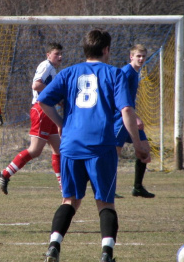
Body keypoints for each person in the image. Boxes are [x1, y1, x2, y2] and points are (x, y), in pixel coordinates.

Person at [37, 29, 149, 262]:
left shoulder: (68, 73)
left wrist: (61, 124)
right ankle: (106, 254)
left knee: (70, 200)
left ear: (85, 49)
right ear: (106, 50)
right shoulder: (115, 74)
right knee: (105, 202)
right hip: (101, 146)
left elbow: (43, 100)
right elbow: (126, 110)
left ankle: (53, 246)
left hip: (71, 146)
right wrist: (138, 144)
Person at [0, 42, 63, 194]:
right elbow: (36, 85)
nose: (60, 57)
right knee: (35, 150)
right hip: (42, 110)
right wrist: (53, 94)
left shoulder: (52, 69)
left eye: (61, 54)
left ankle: (63, 187)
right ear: (48, 55)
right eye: (56, 54)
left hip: (49, 110)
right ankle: (5, 174)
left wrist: (60, 100)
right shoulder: (46, 66)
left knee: (59, 150)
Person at [115, 44, 155, 198]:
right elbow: (120, 99)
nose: (141, 59)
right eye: (138, 56)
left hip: (130, 117)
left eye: (143, 56)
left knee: (145, 150)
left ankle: (138, 187)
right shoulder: (126, 72)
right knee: (114, 155)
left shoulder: (136, 72)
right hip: (121, 119)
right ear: (131, 56)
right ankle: (107, 189)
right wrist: (135, 117)